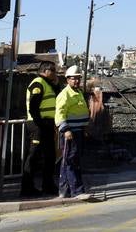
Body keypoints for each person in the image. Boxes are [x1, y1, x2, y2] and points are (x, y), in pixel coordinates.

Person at [20, 61, 59, 196]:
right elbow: (33, 107)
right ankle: (27, 188)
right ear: (46, 71)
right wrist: (41, 124)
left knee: (50, 157)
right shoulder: (38, 83)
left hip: (46, 125)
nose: (55, 73)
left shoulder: (47, 84)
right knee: (33, 157)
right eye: (53, 71)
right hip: (38, 125)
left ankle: (48, 186)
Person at [54, 65, 92, 200]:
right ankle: (77, 191)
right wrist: (65, 129)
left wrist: (86, 126)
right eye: (73, 79)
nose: (76, 81)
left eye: (78, 78)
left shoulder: (78, 92)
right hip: (70, 133)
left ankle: (64, 190)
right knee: (71, 161)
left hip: (79, 131)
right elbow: (59, 114)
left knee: (69, 161)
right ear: (67, 80)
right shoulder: (65, 94)